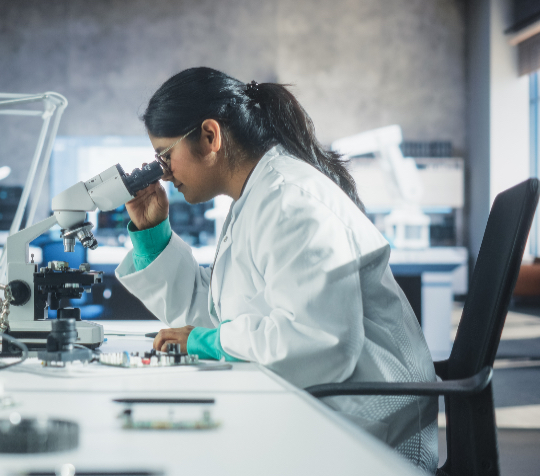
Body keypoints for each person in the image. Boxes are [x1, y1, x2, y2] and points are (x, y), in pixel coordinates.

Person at [115, 67, 438, 471]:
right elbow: (222, 316)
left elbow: (318, 341)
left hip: (364, 424)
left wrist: (208, 343)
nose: (163, 172)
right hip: (320, 401)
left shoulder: (291, 200)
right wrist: (153, 236)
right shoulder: (257, 197)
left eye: (165, 156)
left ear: (210, 137)